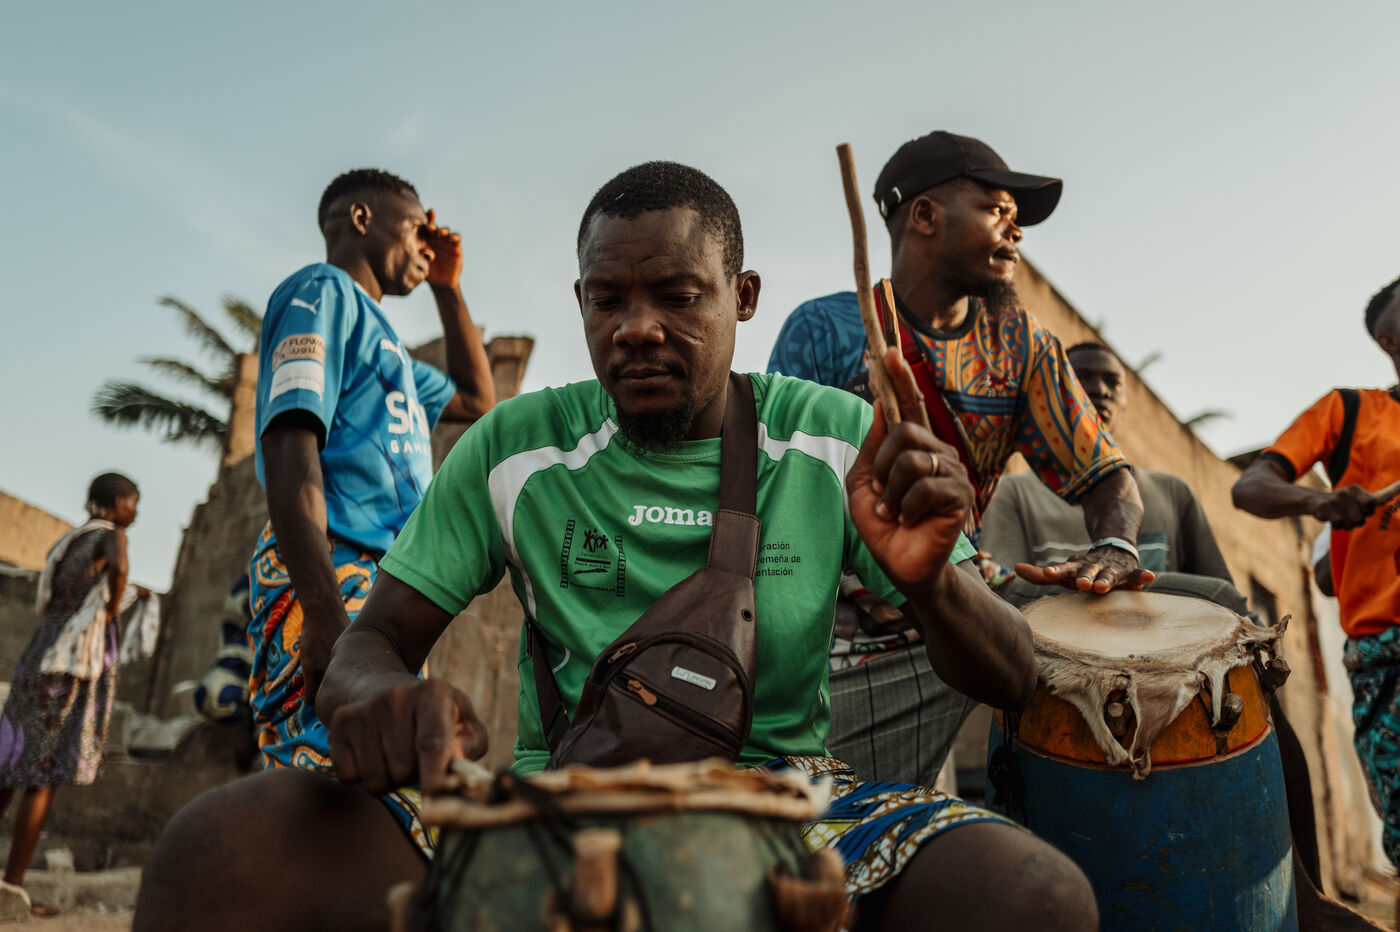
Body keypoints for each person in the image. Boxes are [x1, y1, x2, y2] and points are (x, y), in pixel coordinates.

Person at [135, 162, 1097, 932]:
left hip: (789, 806)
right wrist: (384, 697)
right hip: (552, 807)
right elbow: (367, 642)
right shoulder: (517, 447)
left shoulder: (833, 436)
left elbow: (1012, 673)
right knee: (217, 850)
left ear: (743, 296)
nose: (637, 328)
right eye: (607, 300)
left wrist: (932, 583)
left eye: (678, 295)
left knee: (1033, 897)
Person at [768, 131, 1148, 783]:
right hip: (858, 629)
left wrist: (1115, 548)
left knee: (1217, 610)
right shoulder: (823, 331)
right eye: (998, 211)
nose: (1016, 231)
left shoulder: (1023, 345)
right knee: (825, 815)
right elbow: (774, 499)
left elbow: (1109, 477)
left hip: (971, 592)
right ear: (924, 216)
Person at [247, 169, 495, 848]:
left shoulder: (393, 354)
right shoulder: (321, 292)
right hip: (329, 566)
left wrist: (448, 286)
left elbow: (478, 400)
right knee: (318, 769)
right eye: (415, 230)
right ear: (361, 219)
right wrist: (323, 610)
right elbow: (291, 443)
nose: (424, 247)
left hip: (381, 586)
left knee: (372, 770)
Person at [1233, 275, 1400, 875]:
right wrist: (1321, 503)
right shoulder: (1351, 412)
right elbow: (1250, 487)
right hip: (1388, 654)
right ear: (1388, 340)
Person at [0, 473, 150, 916]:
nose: (135, 512)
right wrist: (112, 608)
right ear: (117, 502)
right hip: (67, 668)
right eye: (133, 503)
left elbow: (65, 593)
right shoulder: (113, 536)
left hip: (38, 656)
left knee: (8, 764)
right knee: (41, 775)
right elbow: (118, 570)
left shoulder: (71, 541)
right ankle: (11, 891)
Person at [982, 342, 1233, 602]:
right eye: (1080, 378)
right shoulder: (1013, 492)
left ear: (1125, 406)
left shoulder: (1172, 491)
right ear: (1050, 398)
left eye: (1113, 383)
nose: (1100, 390)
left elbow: (1223, 599)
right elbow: (1002, 590)